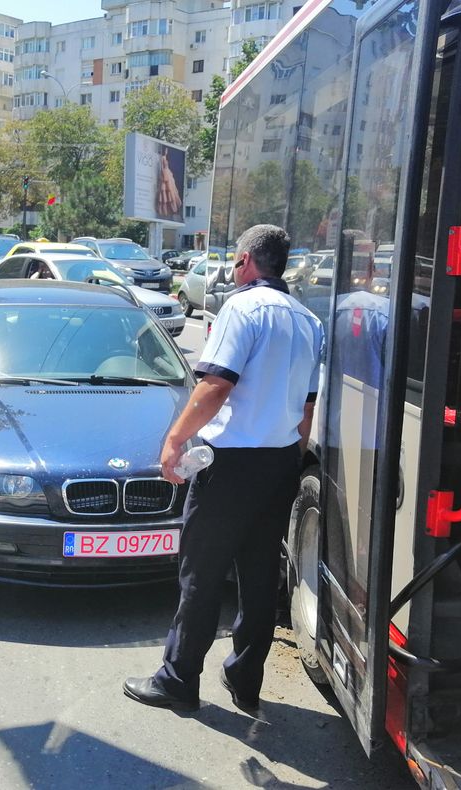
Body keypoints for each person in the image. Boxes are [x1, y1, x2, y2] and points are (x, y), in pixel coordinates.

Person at [123, 224, 324, 715]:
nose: (234, 270)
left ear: (248, 261)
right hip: (279, 464)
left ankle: (178, 680)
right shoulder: (308, 320)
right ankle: (245, 679)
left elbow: (215, 385)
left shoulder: (242, 308)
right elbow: (307, 408)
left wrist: (174, 440)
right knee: (259, 579)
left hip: (230, 466)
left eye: (236, 262)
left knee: (201, 574)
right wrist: (292, 460)